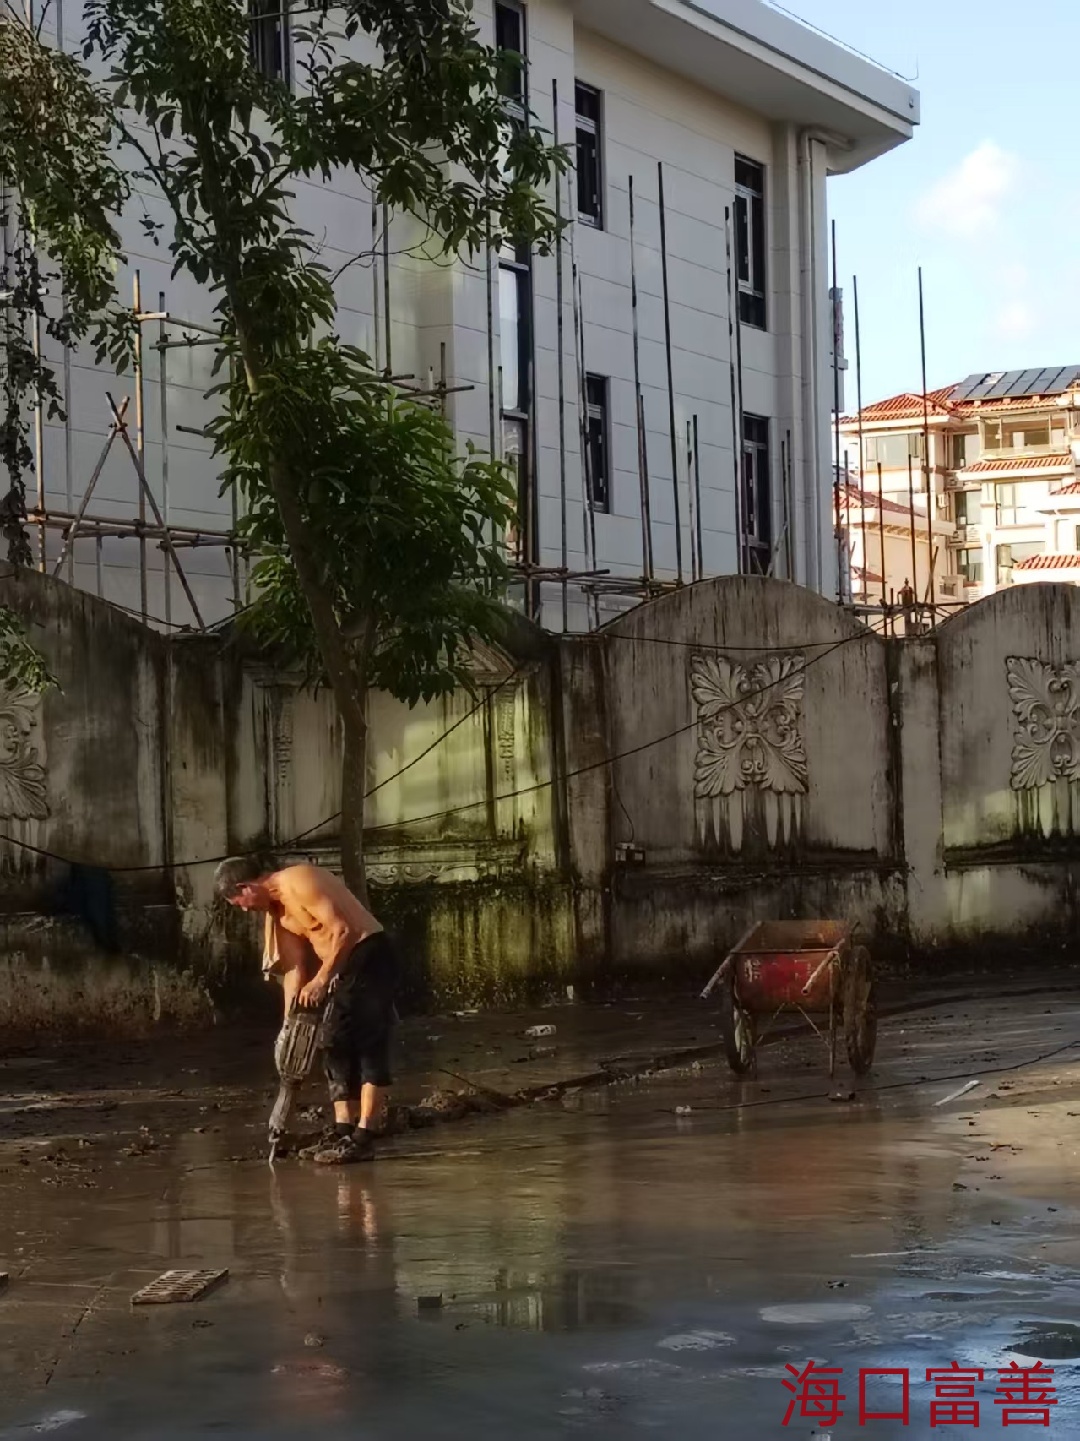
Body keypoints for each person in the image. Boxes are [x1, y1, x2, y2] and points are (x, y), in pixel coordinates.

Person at [214, 856, 399, 1164]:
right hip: (337, 967)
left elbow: (345, 931)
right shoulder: (277, 912)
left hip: (368, 955)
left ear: (246, 887)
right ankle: (343, 1130)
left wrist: (322, 979)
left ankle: (365, 1136)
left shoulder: (299, 880)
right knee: (332, 1041)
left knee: (368, 1043)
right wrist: (290, 1023)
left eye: (240, 904)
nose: (245, 910)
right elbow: (295, 968)